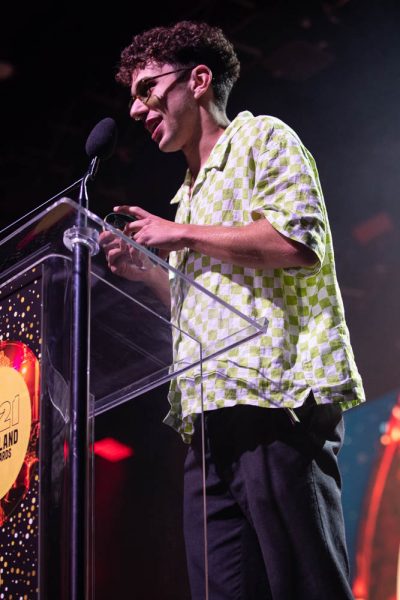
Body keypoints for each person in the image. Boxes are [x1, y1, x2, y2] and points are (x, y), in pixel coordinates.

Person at [99, 20, 365, 600]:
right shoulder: (186, 195)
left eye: (148, 90)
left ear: (198, 80)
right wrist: (149, 273)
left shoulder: (262, 138)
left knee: (306, 586)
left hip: (274, 399)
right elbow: (201, 310)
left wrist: (182, 235)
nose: (137, 110)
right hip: (207, 419)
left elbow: (297, 243)